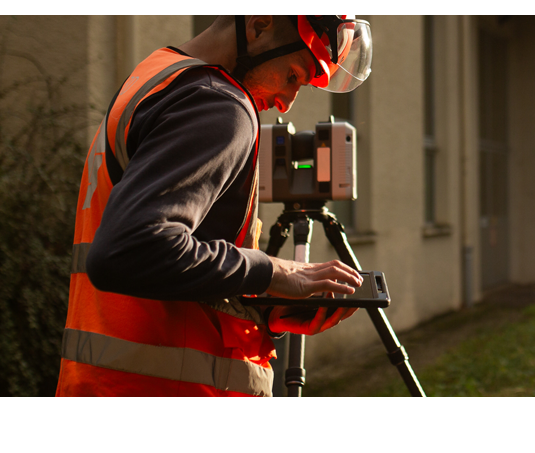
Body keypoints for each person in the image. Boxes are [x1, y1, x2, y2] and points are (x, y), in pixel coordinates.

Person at [55, 15, 374, 397]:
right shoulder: (218, 105)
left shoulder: (157, 77)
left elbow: (168, 266)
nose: (286, 104)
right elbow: (130, 250)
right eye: (293, 76)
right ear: (259, 25)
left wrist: (265, 310)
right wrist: (271, 270)